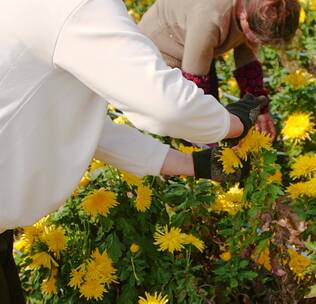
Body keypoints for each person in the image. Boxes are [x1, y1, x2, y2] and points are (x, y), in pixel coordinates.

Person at [0, 0, 266, 302]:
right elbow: (167, 105)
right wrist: (232, 123)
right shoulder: (79, 7)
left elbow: (87, 128)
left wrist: (193, 164)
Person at [138, 0, 301, 140]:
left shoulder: (255, 7)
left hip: (195, 55)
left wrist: (259, 109)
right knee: (190, 131)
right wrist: (213, 140)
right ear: (244, 15)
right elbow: (193, 94)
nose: (260, 43)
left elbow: (246, 56)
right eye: (258, 37)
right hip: (155, 59)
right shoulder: (209, 18)